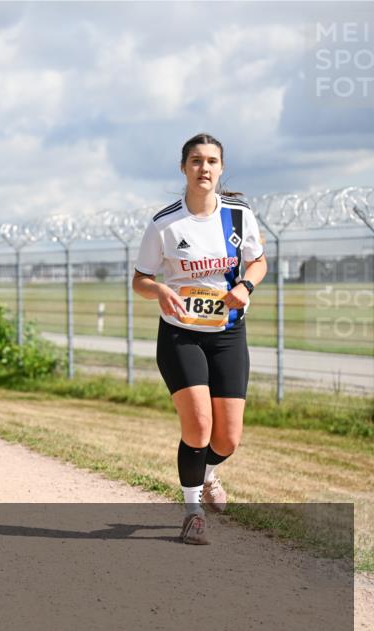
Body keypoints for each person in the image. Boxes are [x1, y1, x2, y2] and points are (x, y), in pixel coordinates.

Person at [133, 132, 267, 545]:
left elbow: (258, 261)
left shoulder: (240, 215)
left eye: (211, 161)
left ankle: (208, 474)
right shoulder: (164, 223)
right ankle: (192, 510)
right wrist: (160, 291)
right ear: (183, 167)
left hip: (228, 333)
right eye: (195, 160)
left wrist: (245, 285)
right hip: (180, 335)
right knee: (199, 428)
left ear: (221, 168)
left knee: (227, 438)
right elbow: (140, 280)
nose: (203, 168)